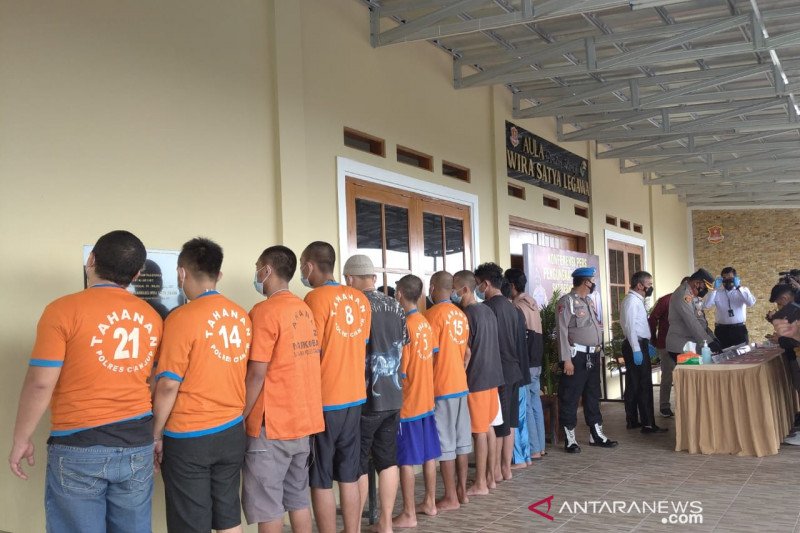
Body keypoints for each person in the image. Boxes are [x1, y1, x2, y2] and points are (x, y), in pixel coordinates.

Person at [9, 230, 163, 532]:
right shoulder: (152, 317)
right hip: (137, 442)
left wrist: (21, 439)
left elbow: (41, 383)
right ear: (136, 273)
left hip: (79, 447)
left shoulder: (61, 310)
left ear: (91, 260)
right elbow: (153, 379)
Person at [152, 238, 251, 533]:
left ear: (181, 273)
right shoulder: (241, 316)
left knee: (190, 522)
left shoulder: (181, 318)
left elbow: (169, 384)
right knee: (228, 514)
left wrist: (155, 433)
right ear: (218, 274)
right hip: (232, 429)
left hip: (190, 435)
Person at [243, 245, 324, 533]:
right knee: (298, 501)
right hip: (303, 422)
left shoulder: (264, 312)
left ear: (267, 270)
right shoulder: (304, 309)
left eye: (257, 267)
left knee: (269, 507)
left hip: (272, 426)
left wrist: (241, 415)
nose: (256, 273)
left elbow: (256, 372)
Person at [301, 242, 371, 533]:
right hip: (355, 398)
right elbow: (362, 346)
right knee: (349, 473)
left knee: (320, 477)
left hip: (325, 402)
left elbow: (310, 351)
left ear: (309, 266)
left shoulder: (315, 299)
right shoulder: (360, 300)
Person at [343, 254, 407, 533]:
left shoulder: (356, 305)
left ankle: (354, 527)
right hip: (393, 395)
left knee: (357, 465)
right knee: (387, 461)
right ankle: (385, 524)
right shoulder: (395, 304)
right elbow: (402, 346)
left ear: (349, 279)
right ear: (373, 278)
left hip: (366, 398)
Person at [392, 275, 441, 529]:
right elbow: (431, 358)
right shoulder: (424, 322)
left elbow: (401, 371)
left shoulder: (405, 326)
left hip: (409, 404)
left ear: (399, 293)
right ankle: (430, 502)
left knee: (406, 460)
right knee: (428, 455)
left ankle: (409, 513)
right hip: (426, 401)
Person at [452, 270, 504, 496]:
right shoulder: (487, 310)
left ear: (464, 289)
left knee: (479, 432)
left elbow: (467, 353)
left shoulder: (467, 315)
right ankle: (490, 478)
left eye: (454, 288)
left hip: (477, 379)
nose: (452, 293)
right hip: (493, 376)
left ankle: (480, 483)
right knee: (489, 427)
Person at [556, 266, 617, 452]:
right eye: (591, 280)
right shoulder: (567, 301)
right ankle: (570, 437)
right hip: (576, 356)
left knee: (592, 395)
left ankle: (596, 434)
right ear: (585, 282)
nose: (593, 283)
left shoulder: (588, 301)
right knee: (571, 396)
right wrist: (566, 359)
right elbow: (562, 331)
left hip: (593, 354)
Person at [424, 271, 471, 510]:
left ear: (433, 287)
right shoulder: (460, 315)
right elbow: (466, 352)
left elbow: (427, 354)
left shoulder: (432, 316)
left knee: (446, 445)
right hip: (461, 385)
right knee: (462, 442)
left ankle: (450, 496)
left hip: (441, 387)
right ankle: (462, 492)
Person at [475, 263, 523, 480]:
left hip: (499, 372)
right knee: (511, 422)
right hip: (514, 370)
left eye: (477, 284)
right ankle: (505, 468)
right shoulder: (513, 307)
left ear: (486, 284)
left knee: (499, 424)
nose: (477, 289)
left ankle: (495, 471)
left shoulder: (489, 308)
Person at [505, 268, 546, 462]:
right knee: (535, 403)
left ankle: (534, 449)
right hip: (537, 359)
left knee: (527, 406)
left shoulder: (517, 306)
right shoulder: (532, 303)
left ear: (511, 285)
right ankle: (541, 447)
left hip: (526, 361)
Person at [619, 271, 666, 434]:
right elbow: (631, 327)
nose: (651, 287)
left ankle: (632, 420)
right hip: (635, 344)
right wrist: (637, 349)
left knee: (634, 384)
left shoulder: (635, 300)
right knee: (643, 385)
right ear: (639, 285)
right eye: (649, 284)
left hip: (637, 343)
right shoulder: (632, 301)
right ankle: (648, 424)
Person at [500, 278, 531, 468]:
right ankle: (524, 457)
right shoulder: (516, 311)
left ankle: (518, 459)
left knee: (513, 419)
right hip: (520, 371)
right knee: (518, 417)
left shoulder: (505, 312)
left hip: (512, 372)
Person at [649, 277, 688, 418]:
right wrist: (653, 338)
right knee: (668, 376)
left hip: (685, 346)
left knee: (687, 376)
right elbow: (652, 318)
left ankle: (685, 405)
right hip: (666, 345)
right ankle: (664, 406)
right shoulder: (667, 300)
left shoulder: (690, 300)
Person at [666, 269, 721, 364]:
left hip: (690, 345)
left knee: (699, 375)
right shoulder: (683, 295)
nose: (706, 290)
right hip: (681, 346)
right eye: (705, 287)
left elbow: (701, 321)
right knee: (691, 376)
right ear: (697, 283)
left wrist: (712, 337)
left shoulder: (693, 295)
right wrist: (709, 342)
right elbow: (692, 321)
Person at [703, 267, 756, 349]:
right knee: (722, 357)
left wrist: (738, 287)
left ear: (735, 278)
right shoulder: (717, 292)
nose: (727, 280)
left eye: (730, 278)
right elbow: (706, 305)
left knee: (742, 356)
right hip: (721, 330)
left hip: (739, 330)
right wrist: (714, 289)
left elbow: (751, 303)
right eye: (724, 278)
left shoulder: (743, 290)